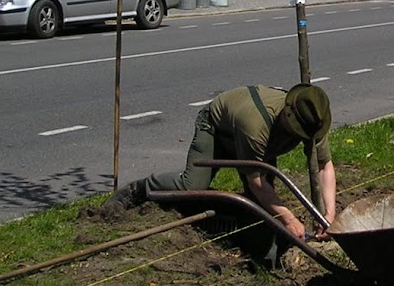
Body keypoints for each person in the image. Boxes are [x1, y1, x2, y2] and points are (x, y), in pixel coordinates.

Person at [106, 84, 336, 242]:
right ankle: (142, 188)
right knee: (192, 186)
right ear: (287, 115)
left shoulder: (314, 120)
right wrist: (290, 218)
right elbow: (256, 180)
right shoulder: (256, 125)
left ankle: (252, 241)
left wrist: (329, 214)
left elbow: (324, 166)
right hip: (216, 127)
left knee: (262, 211)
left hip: (260, 142)